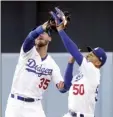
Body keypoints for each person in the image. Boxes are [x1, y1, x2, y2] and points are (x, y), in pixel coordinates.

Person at [50, 7, 107, 117]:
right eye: (90, 52)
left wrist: (60, 30)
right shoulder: (83, 74)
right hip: (70, 114)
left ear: (98, 63)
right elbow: (65, 87)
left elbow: (74, 51)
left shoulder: (93, 72)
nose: (89, 54)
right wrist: (70, 64)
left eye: (93, 54)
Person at [5, 21, 68, 117]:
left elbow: (62, 88)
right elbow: (30, 37)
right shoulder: (27, 51)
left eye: (43, 33)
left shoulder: (52, 65)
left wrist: (63, 87)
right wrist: (43, 27)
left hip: (35, 107)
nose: (39, 35)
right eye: (37, 33)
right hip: (15, 104)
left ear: (50, 38)